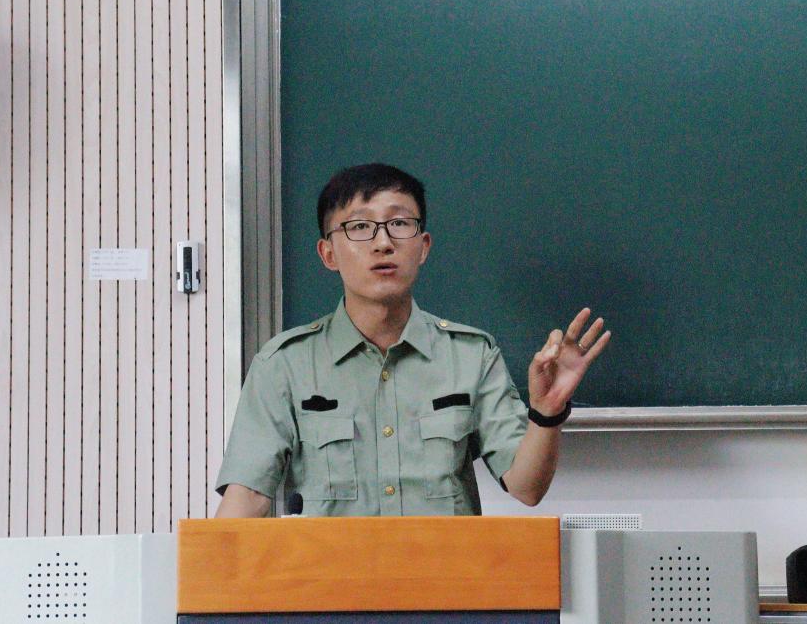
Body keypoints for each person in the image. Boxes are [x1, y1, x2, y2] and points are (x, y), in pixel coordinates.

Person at [215, 164, 611, 517]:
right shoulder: (284, 364)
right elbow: (246, 498)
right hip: (330, 576)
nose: (383, 243)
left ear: (423, 247)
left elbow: (526, 488)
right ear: (328, 253)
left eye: (399, 223)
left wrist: (546, 413)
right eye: (360, 227)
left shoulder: (471, 355)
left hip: (443, 575)